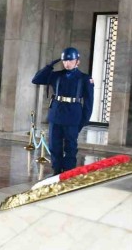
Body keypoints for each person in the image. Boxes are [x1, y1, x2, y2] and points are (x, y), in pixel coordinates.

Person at [31, 47, 94, 175]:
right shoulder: (56, 75)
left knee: (70, 147)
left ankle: (68, 172)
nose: (67, 63)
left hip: (73, 115)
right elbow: (36, 79)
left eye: (70, 61)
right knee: (54, 146)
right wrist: (50, 66)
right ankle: (56, 170)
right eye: (65, 61)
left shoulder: (84, 78)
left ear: (77, 61)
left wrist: (83, 121)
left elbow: (89, 102)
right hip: (56, 115)